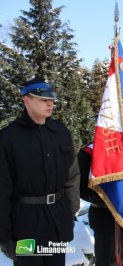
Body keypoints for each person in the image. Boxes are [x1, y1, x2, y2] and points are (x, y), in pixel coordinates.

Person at [0, 77, 80, 266]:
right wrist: (4, 236)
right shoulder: (8, 138)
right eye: (43, 99)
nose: (50, 103)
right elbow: (1, 190)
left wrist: (70, 211)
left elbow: (72, 176)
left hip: (57, 220)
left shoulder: (61, 133)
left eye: (51, 99)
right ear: (26, 100)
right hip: (24, 224)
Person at [78, 143, 123, 266]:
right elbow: (80, 186)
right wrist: (105, 199)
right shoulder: (89, 151)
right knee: (105, 260)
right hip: (103, 215)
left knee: (122, 259)